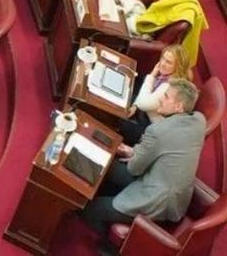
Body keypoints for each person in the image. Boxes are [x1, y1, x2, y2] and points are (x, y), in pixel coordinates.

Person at [81, 80, 204, 240]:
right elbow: (167, 149)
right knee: (108, 166)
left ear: (178, 107)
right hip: (173, 197)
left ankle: (109, 245)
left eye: (166, 97)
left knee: (89, 209)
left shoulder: (158, 131)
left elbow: (134, 168)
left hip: (156, 201)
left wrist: (135, 154)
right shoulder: (199, 121)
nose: (160, 99)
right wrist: (135, 151)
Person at [121, 45, 193, 145]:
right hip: (146, 112)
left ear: (178, 67)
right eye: (163, 58)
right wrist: (136, 105)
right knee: (126, 94)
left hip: (151, 130)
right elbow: (144, 100)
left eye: (168, 62)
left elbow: (143, 103)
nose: (162, 64)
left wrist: (152, 75)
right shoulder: (168, 75)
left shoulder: (169, 87)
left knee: (117, 117)